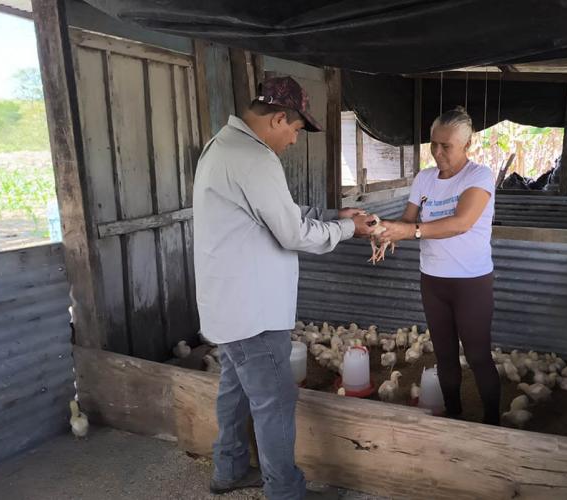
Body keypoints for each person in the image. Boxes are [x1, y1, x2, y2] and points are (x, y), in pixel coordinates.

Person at [193, 76, 375, 498]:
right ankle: (285, 493)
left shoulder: (222, 146)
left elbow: (275, 212)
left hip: (229, 307)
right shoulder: (255, 158)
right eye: (294, 130)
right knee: (274, 403)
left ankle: (229, 468)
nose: (294, 140)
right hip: (253, 312)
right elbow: (292, 233)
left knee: (235, 391)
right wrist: (347, 228)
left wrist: (333, 213)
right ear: (278, 119)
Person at [378, 107, 500, 425]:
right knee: (444, 355)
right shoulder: (425, 178)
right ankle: (454, 415)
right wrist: (388, 233)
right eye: (434, 143)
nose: (437, 151)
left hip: (471, 282)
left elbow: (461, 223)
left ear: (467, 145)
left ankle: (493, 422)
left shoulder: (479, 176)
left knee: (477, 356)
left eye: (447, 146)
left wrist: (413, 230)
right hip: (433, 280)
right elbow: (407, 219)